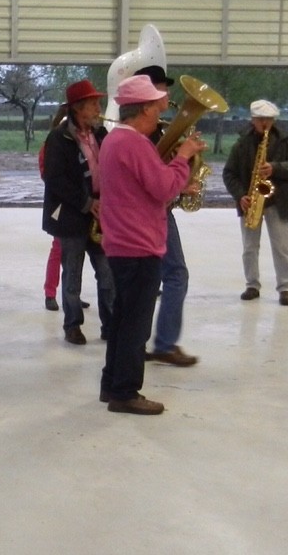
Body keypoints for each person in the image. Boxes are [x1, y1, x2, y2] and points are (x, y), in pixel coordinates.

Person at [97, 75, 204, 415]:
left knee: (122, 321)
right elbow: (161, 189)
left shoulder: (115, 140)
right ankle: (126, 392)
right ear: (143, 108)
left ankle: (111, 384)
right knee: (136, 326)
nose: (160, 113)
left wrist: (174, 179)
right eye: (157, 106)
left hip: (122, 244)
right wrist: (183, 157)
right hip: (139, 245)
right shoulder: (135, 144)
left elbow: (140, 187)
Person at [42, 79, 115, 346]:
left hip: (101, 212)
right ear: (78, 108)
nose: (99, 107)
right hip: (73, 215)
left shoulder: (101, 133)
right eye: (94, 103)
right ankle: (72, 325)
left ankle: (110, 324)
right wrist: (87, 203)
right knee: (72, 275)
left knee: (107, 274)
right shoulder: (58, 138)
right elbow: (55, 180)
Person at [223, 100, 288, 306]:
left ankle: (285, 288)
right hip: (250, 201)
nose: (265, 123)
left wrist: (275, 168)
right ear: (253, 120)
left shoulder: (286, 140)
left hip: (278, 202)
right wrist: (240, 195)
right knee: (250, 247)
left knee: (281, 247)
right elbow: (229, 173)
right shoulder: (242, 143)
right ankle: (252, 284)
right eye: (260, 119)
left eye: (268, 119)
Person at [142, 67, 198, 366]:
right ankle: (163, 343)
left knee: (159, 277)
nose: (169, 95)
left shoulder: (158, 130)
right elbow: (156, 179)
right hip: (154, 212)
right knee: (174, 275)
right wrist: (183, 159)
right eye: (163, 88)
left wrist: (186, 178)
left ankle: (154, 341)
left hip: (158, 209)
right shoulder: (147, 135)